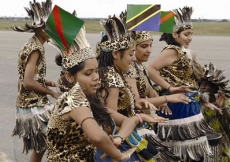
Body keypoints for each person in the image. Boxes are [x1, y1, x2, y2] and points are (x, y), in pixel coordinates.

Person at [46, 20, 167, 161]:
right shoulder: (73, 99)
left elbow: (126, 122)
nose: (96, 77)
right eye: (88, 73)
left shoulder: (90, 99)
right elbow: (97, 136)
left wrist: (119, 138)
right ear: (70, 76)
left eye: (96, 71)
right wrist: (120, 155)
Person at [96, 13, 180, 162]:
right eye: (130, 54)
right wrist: (140, 118)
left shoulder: (109, 73)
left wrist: (137, 104)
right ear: (115, 54)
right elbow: (110, 122)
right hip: (117, 142)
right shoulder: (112, 78)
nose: (133, 59)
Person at [146, 6, 214, 161]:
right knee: (179, 147)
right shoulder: (172, 50)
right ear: (175, 34)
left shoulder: (183, 51)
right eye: (186, 34)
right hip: (177, 107)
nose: (190, 37)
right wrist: (169, 87)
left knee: (192, 147)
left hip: (188, 104)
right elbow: (151, 69)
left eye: (191, 34)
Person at [11, 0, 59, 162]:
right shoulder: (36, 48)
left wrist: (46, 81)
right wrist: (51, 92)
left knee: (42, 145)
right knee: (45, 143)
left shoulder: (32, 44)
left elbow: (30, 76)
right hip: (32, 103)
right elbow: (28, 82)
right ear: (41, 29)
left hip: (30, 101)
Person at [199, 62, 230, 161]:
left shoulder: (223, 103)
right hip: (200, 143)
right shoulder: (195, 103)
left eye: (206, 84)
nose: (202, 87)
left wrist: (223, 108)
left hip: (220, 143)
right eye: (201, 84)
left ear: (214, 88)